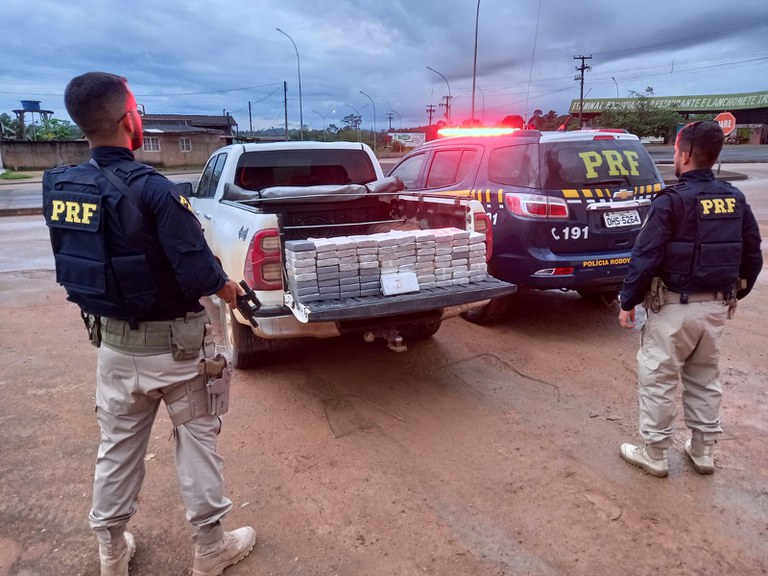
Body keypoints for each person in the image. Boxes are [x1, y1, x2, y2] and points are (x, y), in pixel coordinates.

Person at [42, 72, 256, 576]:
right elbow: (201, 273)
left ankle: (111, 552)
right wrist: (232, 289)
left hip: (113, 348)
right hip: (179, 352)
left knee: (116, 451)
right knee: (197, 443)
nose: (139, 115)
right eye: (137, 108)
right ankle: (210, 549)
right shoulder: (156, 191)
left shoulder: (65, 187)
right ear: (127, 120)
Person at [617, 120, 762, 478]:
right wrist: (732, 294)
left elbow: (645, 255)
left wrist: (627, 301)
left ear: (682, 154)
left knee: (659, 376)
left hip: (673, 307)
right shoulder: (735, 198)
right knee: (704, 377)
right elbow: (752, 255)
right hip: (716, 307)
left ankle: (654, 453)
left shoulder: (671, 202)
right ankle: (702, 451)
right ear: (715, 155)